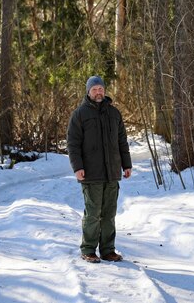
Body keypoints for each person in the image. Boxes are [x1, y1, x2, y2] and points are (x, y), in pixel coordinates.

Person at [67, 75, 132, 263]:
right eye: (94, 89)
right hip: (90, 173)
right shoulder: (79, 114)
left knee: (109, 214)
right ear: (88, 91)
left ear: (104, 90)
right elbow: (73, 144)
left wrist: (126, 165)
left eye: (101, 89)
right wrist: (77, 167)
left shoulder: (114, 114)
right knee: (93, 213)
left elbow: (122, 142)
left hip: (112, 173)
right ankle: (88, 249)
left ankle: (107, 250)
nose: (98, 92)